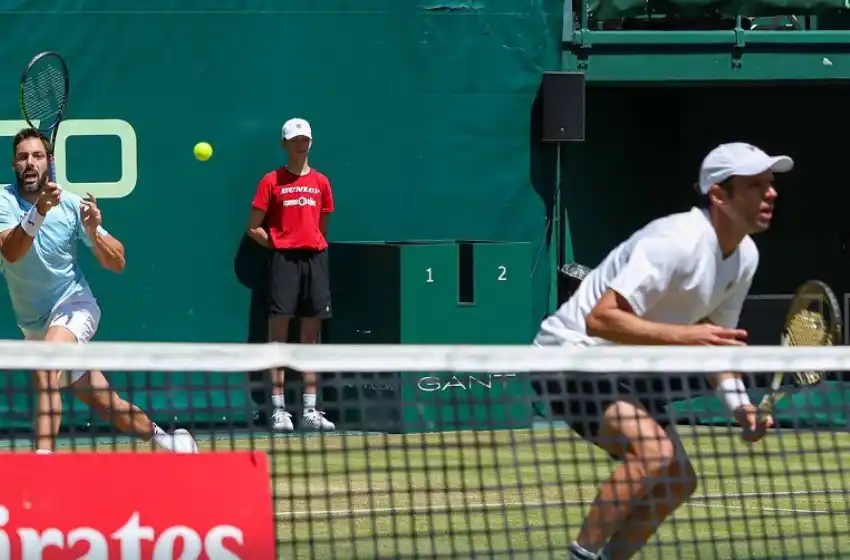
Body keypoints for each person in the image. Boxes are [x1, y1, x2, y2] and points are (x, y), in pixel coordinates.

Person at [534, 142, 788, 560]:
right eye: (756, 185)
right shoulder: (675, 241)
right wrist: (686, 336)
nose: (771, 193)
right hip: (569, 355)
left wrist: (740, 407)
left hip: (622, 364)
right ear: (719, 195)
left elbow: (716, 347)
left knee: (677, 480)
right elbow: (600, 319)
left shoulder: (745, 257)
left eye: (771, 184)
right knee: (654, 453)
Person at [0, 128, 199, 454]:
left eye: (37, 156)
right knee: (108, 405)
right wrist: (38, 213)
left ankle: (40, 468)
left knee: (45, 367)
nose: (30, 163)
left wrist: (94, 232)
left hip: (73, 304)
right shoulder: (3, 201)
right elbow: (11, 251)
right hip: (34, 324)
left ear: (49, 162)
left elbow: (117, 261)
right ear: (13, 164)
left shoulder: (72, 205)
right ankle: (172, 443)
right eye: (23, 157)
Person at [246, 118, 336, 432]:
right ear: (285, 144)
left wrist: (306, 241)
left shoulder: (322, 182)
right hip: (283, 264)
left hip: (315, 261)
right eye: (296, 139)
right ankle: (278, 409)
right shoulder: (271, 180)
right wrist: (281, 244)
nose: (302, 143)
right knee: (279, 338)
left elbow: (321, 227)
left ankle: (310, 410)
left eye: (305, 139)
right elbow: (253, 227)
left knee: (310, 338)